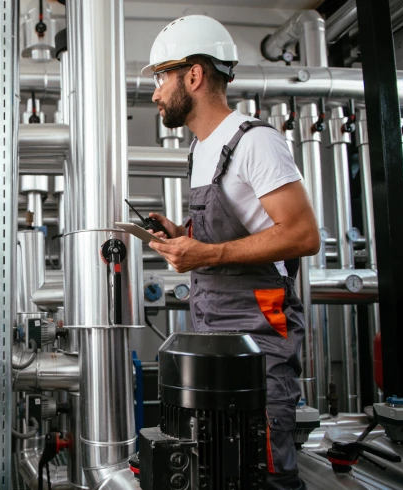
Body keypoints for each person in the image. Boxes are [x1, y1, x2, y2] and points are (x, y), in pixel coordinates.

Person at [141, 15, 320, 490]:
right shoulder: (202, 150)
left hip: (259, 331)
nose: (157, 92)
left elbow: (302, 235)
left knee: (265, 469)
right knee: (220, 467)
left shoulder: (255, 141)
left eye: (162, 76)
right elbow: (224, 232)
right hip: (211, 330)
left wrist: (208, 255)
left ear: (193, 75)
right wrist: (179, 234)